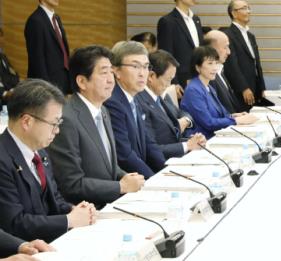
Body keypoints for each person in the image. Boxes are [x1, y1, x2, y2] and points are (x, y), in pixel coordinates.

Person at [47, 46, 145, 209]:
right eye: (103, 72)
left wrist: (129, 178)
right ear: (82, 81)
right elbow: (72, 183)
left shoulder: (103, 110)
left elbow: (110, 167)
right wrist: (121, 187)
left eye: (111, 72)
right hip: (85, 211)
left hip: (110, 204)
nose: (111, 80)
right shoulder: (67, 118)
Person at [0, 79, 96, 243]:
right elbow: (15, 223)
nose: (57, 131)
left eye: (59, 123)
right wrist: (69, 220)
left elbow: (54, 198)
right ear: (27, 122)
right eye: (54, 123)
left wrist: (75, 210)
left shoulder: (40, 151)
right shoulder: (2, 159)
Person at [104, 41, 166, 179]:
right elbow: (125, 155)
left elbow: (148, 143)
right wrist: (153, 180)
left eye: (145, 67)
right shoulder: (112, 102)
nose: (142, 73)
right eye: (135, 66)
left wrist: (166, 170)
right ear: (116, 71)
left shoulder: (134, 97)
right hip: (126, 181)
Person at [136, 50, 206, 159]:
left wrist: (193, 140)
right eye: (168, 79)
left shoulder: (161, 96)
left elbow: (181, 113)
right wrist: (187, 145)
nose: (169, 85)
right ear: (151, 76)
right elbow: (151, 148)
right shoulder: (139, 102)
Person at [181, 46, 258, 139]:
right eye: (210, 63)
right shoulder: (193, 90)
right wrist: (237, 120)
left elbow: (222, 114)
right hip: (203, 140)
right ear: (198, 67)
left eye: (216, 63)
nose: (214, 68)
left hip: (216, 136)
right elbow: (208, 123)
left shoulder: (208, 87)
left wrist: (234, 116)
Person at [224, 0, 272, 110]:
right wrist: (243, 88)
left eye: (248, 8)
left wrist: (262, 87)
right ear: (234, 13)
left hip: (256, 88)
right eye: (244, 8)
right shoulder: (228, 35)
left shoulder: (250, 36)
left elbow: (256, 63)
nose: (249, 11)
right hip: (241, 91)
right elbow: (231, 65)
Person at [24, 0, 71, 94]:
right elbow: (37, 60)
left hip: (62, 81)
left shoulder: (56, 18)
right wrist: (47, 90)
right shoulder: (35, 20)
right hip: (47, 87)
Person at [157, 0, 205, 87]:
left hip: (199, 75)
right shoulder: (167, 21)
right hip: (181, 78)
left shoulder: (196, 19)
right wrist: (174, 82)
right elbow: (166, 54)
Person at [204, 30, 244, 114]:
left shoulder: (220, 72)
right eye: (225, 47)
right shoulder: (207, 78)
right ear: (212, 49)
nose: (229, 52)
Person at [0, 27, 20, 107]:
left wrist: (14, 89)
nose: (1, 39)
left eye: (1, 36)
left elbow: (13, 74)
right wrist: (5, 93)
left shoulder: (3, 57)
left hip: (11, 92)